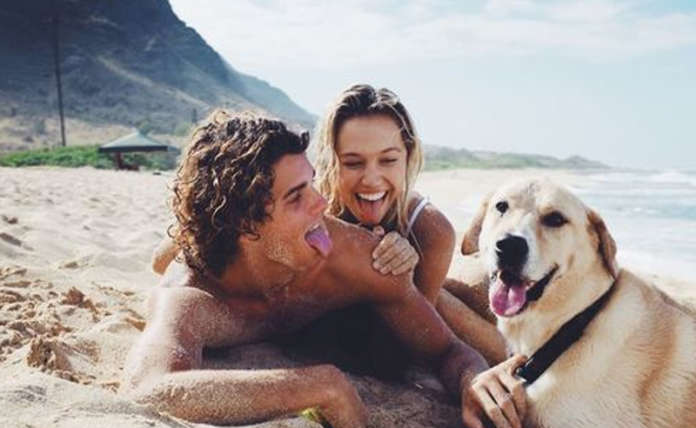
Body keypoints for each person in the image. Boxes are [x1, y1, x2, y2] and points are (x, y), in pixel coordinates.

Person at [122, 111, 526, 428]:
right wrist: (318, 385)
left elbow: (447, 351)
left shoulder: (351, 254)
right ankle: (185, 234)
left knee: (468, 289)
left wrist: (472, 380)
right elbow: (148, 389)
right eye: (296, 196)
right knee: (169, 253)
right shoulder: (194, 297)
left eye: (312, 184)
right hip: (210, 245)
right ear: (245, 224)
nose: (321, 204)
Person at [313, 84, 506, 365]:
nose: (371, 179)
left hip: (407, 326)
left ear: (408, 157)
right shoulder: (309, 214)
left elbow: (409, 350)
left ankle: (527, 362)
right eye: (353, 163)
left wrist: (402, 281)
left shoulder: (431, 230)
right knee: (446, 299)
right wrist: (360, 255)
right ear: (330, 162)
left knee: (461, 295)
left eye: (388, 160)